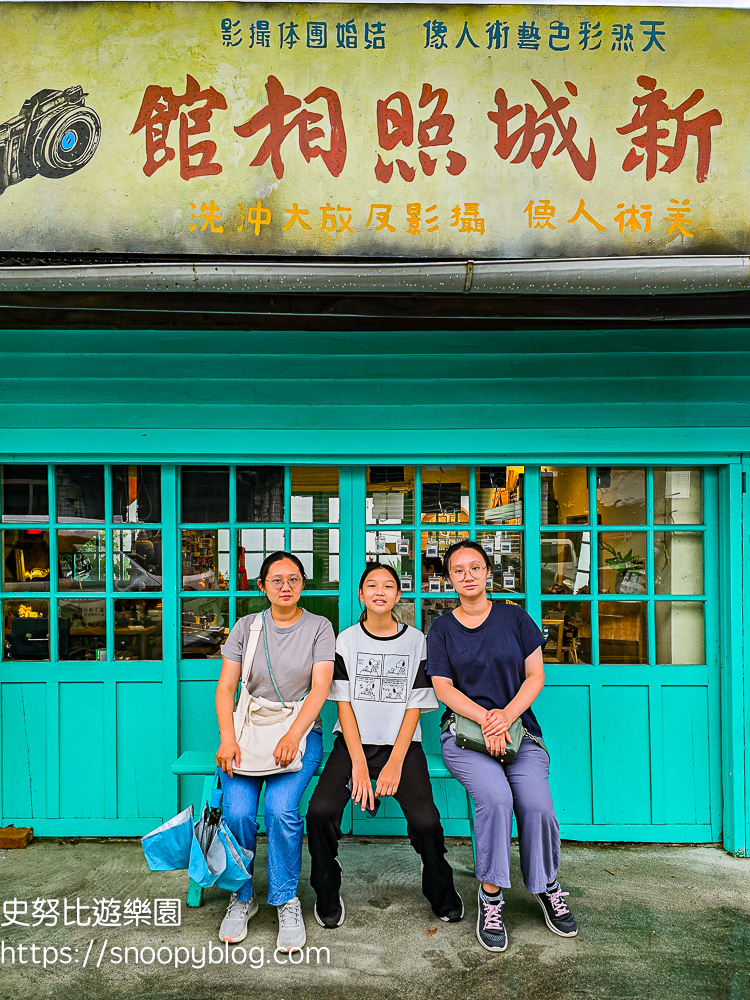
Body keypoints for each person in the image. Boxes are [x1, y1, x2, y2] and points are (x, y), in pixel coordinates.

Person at [426, 540, 577, 953]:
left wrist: (505, 716)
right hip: (466, 735)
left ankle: (546, 885)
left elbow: (535, 676)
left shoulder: (515, 618)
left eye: (475, 567)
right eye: (458, 570)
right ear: (449, 578)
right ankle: (491, 896)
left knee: (536, 804)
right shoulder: (441, 629)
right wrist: (485, 718)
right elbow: (443, 688)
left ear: (488, 572)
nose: (468, 575)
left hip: (519, 731)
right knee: (494, 799)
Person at [306, 563, 463, 927]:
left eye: (388, 585)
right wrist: (359, 765)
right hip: (353, 746)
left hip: (402, 747)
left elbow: (415, 705)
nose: (380, 591)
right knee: (319, 813)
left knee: (426, 822)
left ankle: (441, 890)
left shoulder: (416, 640)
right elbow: (343, 705)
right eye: (371, 585)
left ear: (398, 595)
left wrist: (394, 762)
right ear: (361, 595)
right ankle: (327, 891)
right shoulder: (345, 640)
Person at [215, 551, 335, 952]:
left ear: (303, 583)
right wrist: (227, 738)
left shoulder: (319, 627)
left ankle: (285, 899)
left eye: (294, 579)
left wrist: (293, 735)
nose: (286, 587)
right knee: (236, 811)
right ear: (262, 585)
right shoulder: (247, 627)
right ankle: (242, 895)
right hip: (248, 733)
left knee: (280, 810)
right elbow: (226, 688)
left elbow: (320, 688)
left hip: (299, 734)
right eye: (277, 580)